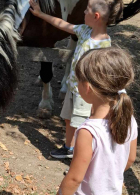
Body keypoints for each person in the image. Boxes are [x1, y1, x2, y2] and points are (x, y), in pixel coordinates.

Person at [29, 0, 123, 158]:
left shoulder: (104, 46)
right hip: (73, 88)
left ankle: (81, 159)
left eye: (86, 10)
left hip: (87, 95)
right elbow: (62, 24)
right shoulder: (84, 30)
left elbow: (104, 74)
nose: (83, 12)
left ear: (96, 16)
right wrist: (40, 14)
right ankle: (68, 148)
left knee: (84, 126)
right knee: (68, 120)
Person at [57, 47, 138, 194]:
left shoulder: (88, 132)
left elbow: (74, 179)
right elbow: (130, 158)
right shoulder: (129, 119)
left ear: (87, 87)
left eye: (78, 81)